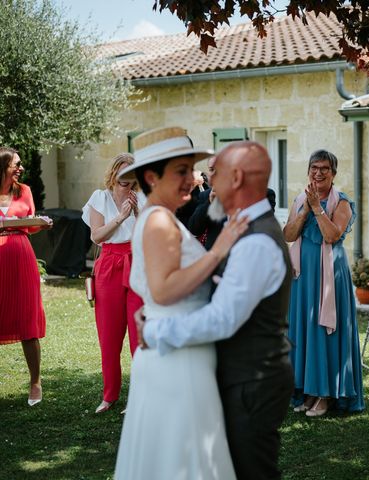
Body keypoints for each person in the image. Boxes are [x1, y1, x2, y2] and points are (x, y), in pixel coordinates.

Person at [140, 140, 294, 480]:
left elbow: (223, 319)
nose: (208, 178)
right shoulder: (242, 228)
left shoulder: (255, 242)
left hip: (252, 380)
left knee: (251, 472)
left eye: (216, 172)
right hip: (242, 376)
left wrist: (155, 331)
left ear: (236, 177)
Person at [115, 127, 247, 479]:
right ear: (151, 177)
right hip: (177, 358)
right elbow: (164, 289)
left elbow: (155, 288)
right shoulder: (159, 220)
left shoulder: (163, 217)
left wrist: (150, 313)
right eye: (181, 171)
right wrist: (220, 249)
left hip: (176, 345)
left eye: (191, 169)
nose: (192, 179)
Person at [283, 149, 365, 417]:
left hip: (329, 277)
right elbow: (289, 234)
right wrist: (306, 208)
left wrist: (318, 209)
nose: (318, 173)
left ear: (333, 174)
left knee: (323, 331)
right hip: (303, 277)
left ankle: (326, 394)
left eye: (324, 169)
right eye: (314, 168)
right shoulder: (299, 199)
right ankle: (307, 391)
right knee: (304, 332)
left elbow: (331, 235)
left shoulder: (341, 203)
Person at [82, 153, 147, 413]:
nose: (126, 180)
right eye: (122, 175)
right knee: (108, 334)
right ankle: (109, 395)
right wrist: (121, 216)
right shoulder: (100, 197)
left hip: (136, 260)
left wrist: (139, 212)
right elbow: (97, 236)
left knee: (138, 334)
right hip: (109, 262)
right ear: (113, 173)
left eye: (131, 176)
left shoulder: (142, 198)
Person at [0, 147, 53, 406]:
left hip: (20, 258)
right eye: (15, 164)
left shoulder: (25, 191)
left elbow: (29, 225)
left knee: (26, 319)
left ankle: (35, 382)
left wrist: (42, 223)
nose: (20, 168)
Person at [188, 155, 224, 250]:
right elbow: (194, 229)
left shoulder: (262, 195)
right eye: (211, 169)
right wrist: (209, 202)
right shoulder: (205, 195)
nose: (214, 174)